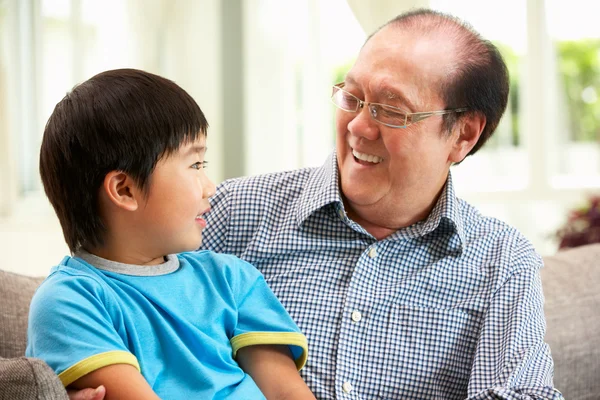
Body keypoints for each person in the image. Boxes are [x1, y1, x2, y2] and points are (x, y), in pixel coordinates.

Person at [69, 8, 563, 400]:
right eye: (351, 97)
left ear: (463, 135)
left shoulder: (502, 261)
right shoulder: (231, 212)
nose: (358, 126)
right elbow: (105, 279)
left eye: (390, 110)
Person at [26, 68, 316, 399]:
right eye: (195, 165)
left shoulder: (233, 280)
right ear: (124, 190)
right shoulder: (70, 301)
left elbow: (288, 393)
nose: (210, 188)